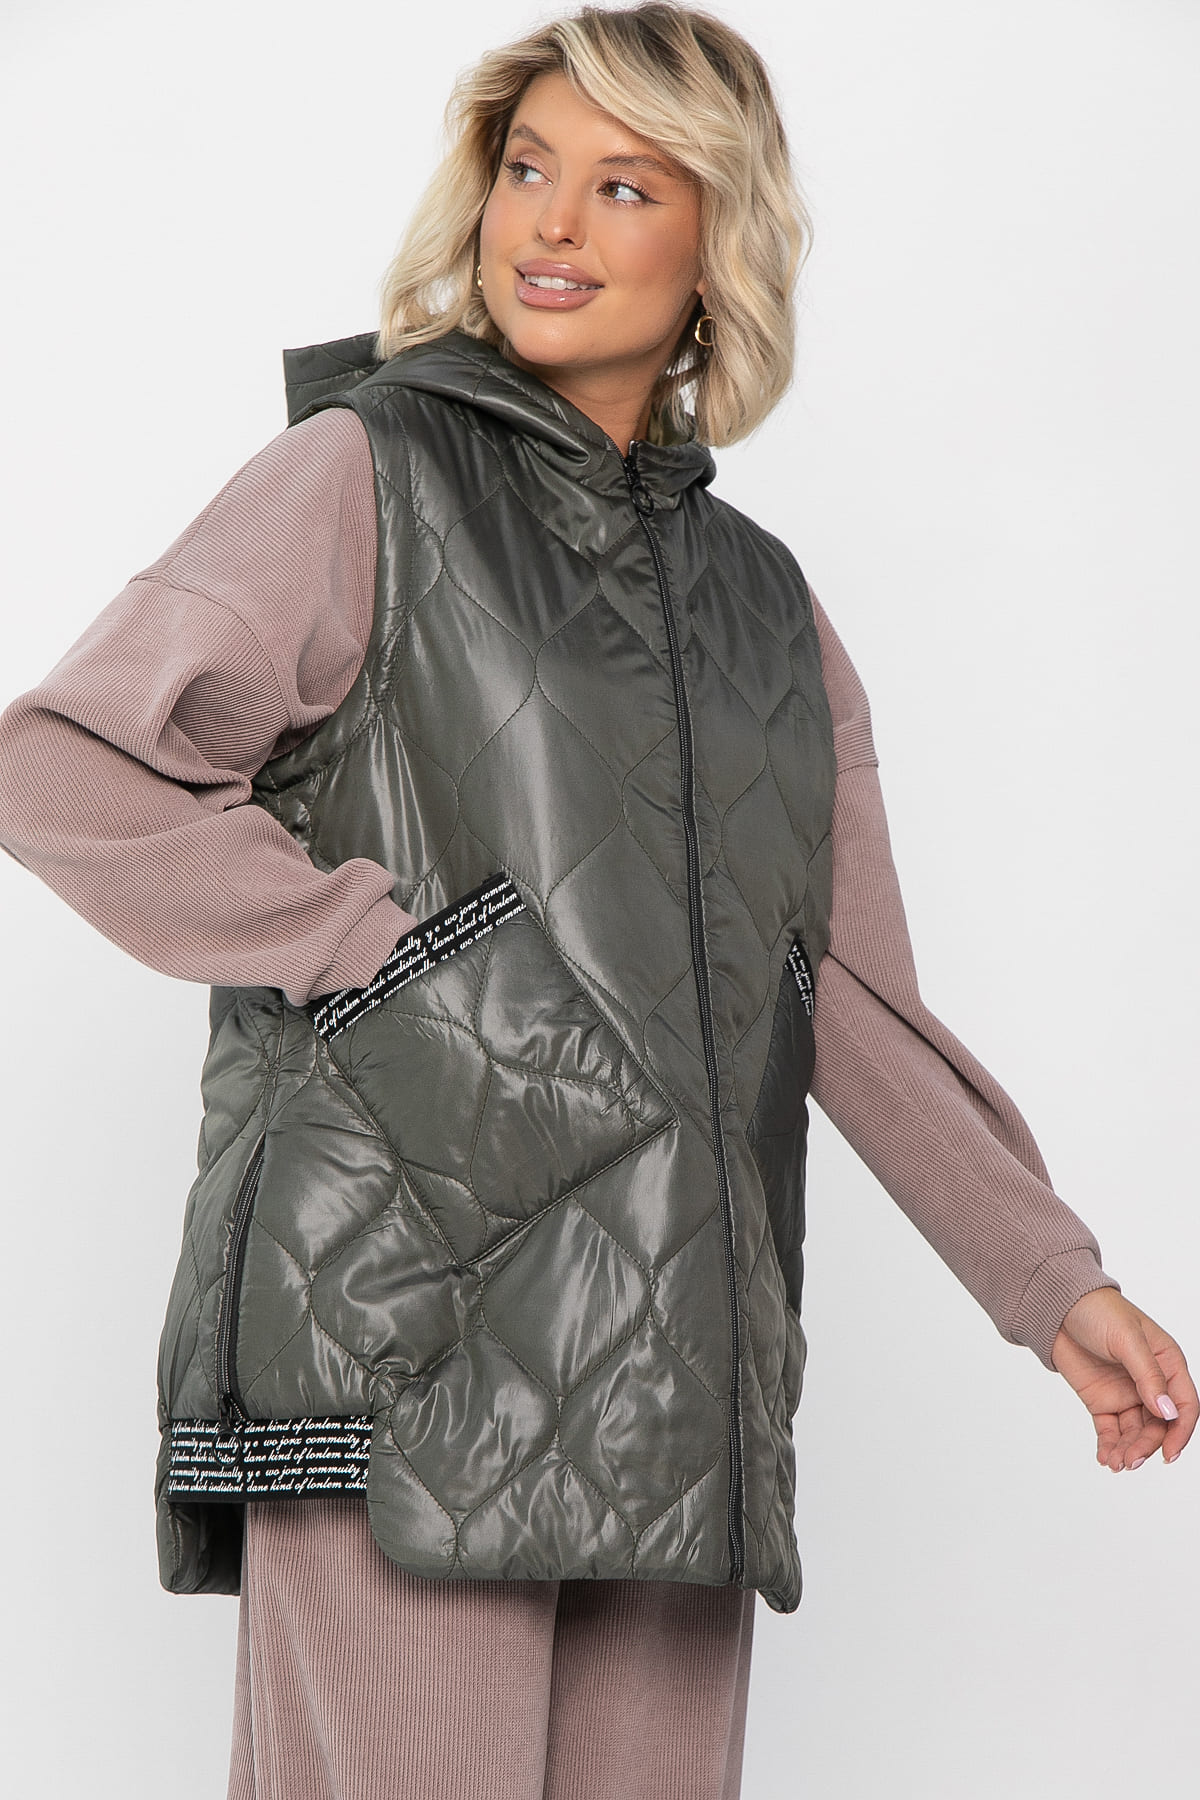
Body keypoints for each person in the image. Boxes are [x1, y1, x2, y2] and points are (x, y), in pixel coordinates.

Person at [0, 5, 1193, 1797]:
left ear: (720, 239)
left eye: (625, 185)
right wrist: (387, 962)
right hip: (399, 1345)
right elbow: (68, 764)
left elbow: (845, 997)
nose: (551, 223)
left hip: (676, 1395)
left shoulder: (768, 608)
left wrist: (1051, 1282)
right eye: (527, 169)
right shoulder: (365, 472)